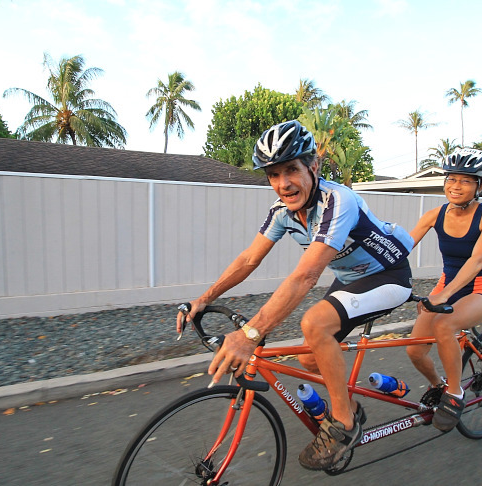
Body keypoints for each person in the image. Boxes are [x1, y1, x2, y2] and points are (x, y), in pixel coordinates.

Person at [176, 120, 414, 470]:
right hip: (351, 280)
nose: (283, 183)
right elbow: (248, 258)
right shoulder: (282, 212)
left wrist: (250, 334)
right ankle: (349, 407)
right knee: (309, 357)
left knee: (315, 324)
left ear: (313, 166)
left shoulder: (338, 200)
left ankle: (344, 424)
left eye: (291, 170)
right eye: (273, 174)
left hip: (388, 276)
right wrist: (204, 298)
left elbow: (305, 275)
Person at [406, 148, 482, 432]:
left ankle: (455, 393)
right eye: (451, 179)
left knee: (444, 324)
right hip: (447, 287)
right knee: (414, 351)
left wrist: (444, 295)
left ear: (479, 186)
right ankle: (438, 386)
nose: (455, 186)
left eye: (465, 180)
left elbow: (478, 260)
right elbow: (400, 249)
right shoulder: (434, 215)